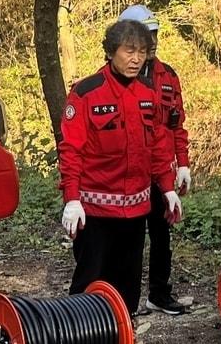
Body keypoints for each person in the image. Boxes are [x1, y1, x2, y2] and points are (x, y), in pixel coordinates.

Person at [59, 19, 181, 314]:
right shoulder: (86, 93)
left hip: (136, 211)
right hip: (96, 210)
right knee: (91, 281)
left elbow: (157, 145)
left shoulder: (148, 93)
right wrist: (72, 199)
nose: (136, 58)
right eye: (129, 51)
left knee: (128, 285)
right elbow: (70, 149)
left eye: (142, 51)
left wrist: (167, 188)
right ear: (111, 51)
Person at [118, 4, 194, 316]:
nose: (150, 41)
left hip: (162, 172)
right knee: (129, 239)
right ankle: (126, 302)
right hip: (129, 172)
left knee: (162, 234)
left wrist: (184, 162)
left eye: (153, 34)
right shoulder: (116, 77)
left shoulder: (168, 75)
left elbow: (176, 122)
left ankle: (160, 293)